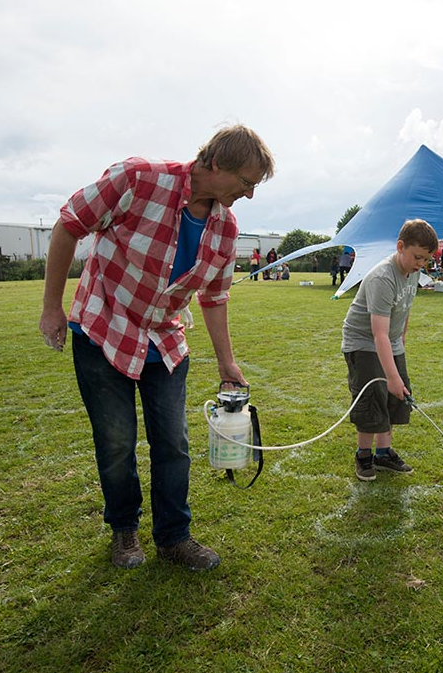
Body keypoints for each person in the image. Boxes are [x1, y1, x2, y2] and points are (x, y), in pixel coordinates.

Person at [38, 124, 275, 572]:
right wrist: (52, 309)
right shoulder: (138, 179)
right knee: (116, 441)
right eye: (245, 182)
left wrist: (228, 362)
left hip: (162, 341)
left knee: (173, 443)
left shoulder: (225, 229)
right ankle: (124, 530)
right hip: (102, 330)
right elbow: (69, 224)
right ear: (217, 163)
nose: (248, 194)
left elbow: (214, 297)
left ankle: (174, 537)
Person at [341, 219, 438, 481]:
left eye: (425, 260)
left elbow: (404, 308)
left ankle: (383, 454)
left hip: (390, 342)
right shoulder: (383, 277)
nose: (420, 264)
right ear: (400, 246)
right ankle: (364, 455)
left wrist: (401, 341)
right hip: (363, 342)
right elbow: (377, 333)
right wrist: (392, 376)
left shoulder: (414, 272)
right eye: (417, 257)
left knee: (394, 399)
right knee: (372, 396)